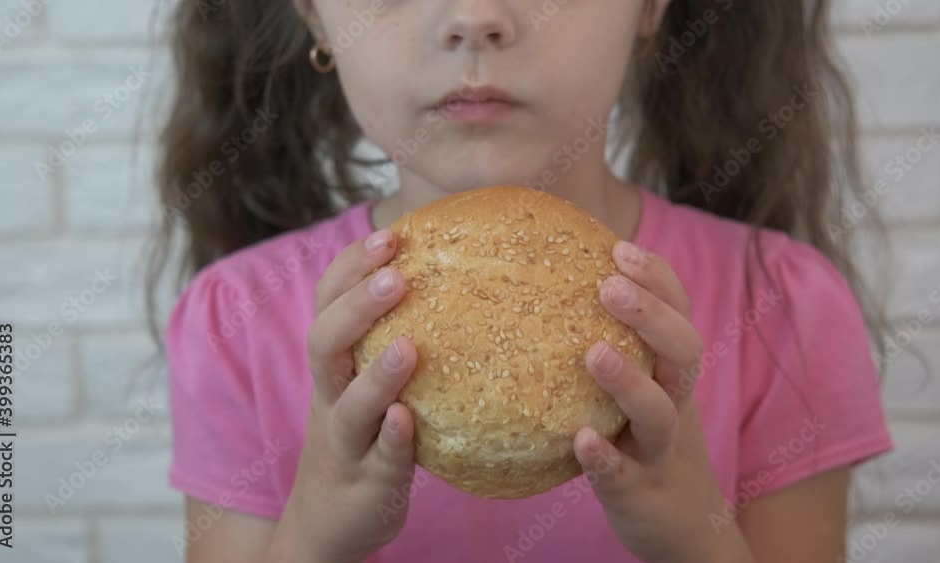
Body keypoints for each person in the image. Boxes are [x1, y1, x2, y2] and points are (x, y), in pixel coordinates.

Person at [149, 1, 894, 561]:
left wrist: (694, 536)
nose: (475, 18)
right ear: (313, 12)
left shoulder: (783, 304)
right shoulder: (233, 319)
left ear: (650, 6)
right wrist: (315, 533)